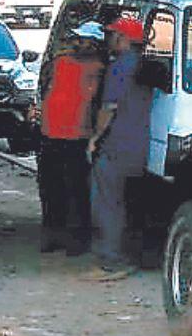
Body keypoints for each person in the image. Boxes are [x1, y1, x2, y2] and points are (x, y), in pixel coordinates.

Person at [85, 16, 152, 282]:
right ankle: (122, 255)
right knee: (122, 203)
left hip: (116, 144)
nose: (109, 40)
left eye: (113, 35)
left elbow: (108, 108)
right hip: (138, 145)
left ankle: (110, 260)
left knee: (106, 202)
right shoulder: (144, 67)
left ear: (124, 39)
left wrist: (95, 137)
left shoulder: (120, 68)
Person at [35, 21, 106, 256]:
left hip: (78, 134)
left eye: (85, 40)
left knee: (75, 189)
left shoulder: (99, 68)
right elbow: (45, 90)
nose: (79, 43)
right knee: (51, 187)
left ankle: (76, 239)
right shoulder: (60, 62)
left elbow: (101, 104)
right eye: (79, 39)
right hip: (50, 131)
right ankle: (53, 235)